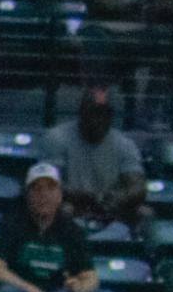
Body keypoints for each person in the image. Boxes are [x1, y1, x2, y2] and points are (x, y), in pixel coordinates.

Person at [0, 163, 98, 292]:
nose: (44, 194)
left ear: (60, 195)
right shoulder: (10, 224)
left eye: (51, 188)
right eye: (37, 189)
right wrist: (30, 290)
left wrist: (81, 286)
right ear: (27, 195)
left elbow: (91, 276)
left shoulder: (72, 230)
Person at [42, 86, 148, 226]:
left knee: (145, 213)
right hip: (74, 204)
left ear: (110, 116)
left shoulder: (124, 144)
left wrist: (121, 196)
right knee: (63, 209)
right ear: (82, 113)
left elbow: (138, 185)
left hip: (111, 207)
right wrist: (88, 197)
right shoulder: (57, 137)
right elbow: (47, 183)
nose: (97, 119)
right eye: (93, 113)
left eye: (103, 114)